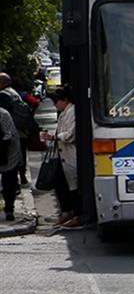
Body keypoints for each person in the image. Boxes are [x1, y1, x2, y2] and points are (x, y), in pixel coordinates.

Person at [40, 87, 80, 228]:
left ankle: (77, 215)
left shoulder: (72, 112)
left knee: (73, 186)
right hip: (63, 155)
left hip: (70, 155)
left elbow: (70, 134)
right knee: (61, 184)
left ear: (65, 100)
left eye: (56, 102)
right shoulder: (64, 113)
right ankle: (66, 212)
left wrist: (54, 137)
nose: (55, 105)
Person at [0, 73, 35, 185]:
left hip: (12, 130)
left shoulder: (4, 95)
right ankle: (21, 176)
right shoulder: (15, 93)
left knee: (11, 158)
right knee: (20, 155)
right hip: (21, 130)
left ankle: (13, 183)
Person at [0, 99, 20, 221]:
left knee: (9, 184)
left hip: (9, 154)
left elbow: (10, 135)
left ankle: (9, 209)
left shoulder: (3, 114)